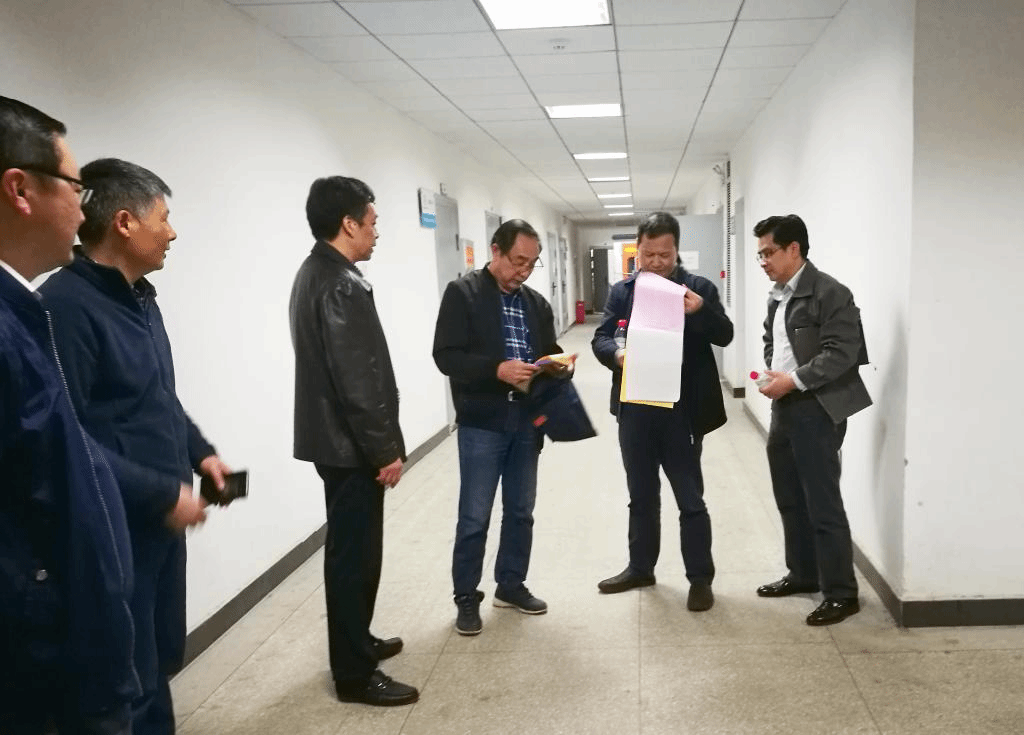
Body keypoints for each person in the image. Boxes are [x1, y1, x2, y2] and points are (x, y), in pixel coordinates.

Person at [39, 158, 230, 734]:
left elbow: (158, 397)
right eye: (162, 218)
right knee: (129, 674)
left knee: (160, 657)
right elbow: (65, 436)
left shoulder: (141, 297)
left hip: (164, 517)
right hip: (117, 525)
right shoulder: (66, 306)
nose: (171, 232)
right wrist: (159, 493)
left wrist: (200, 453)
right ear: (125, 223)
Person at [0, 97, 137, 733]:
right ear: (20, 189)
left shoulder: (23, 311)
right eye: (76, 187)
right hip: (47, 668)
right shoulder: (17, 325)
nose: (84, 210)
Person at [289, 176, 417, 707]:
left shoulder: (315, 272)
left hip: (336, 443)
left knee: (353, 553)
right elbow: (357, 381)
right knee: (354, 559)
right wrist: (384, 451)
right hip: (351, 448)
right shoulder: (340, 283)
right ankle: (355, 674)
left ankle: (357, 640)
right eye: (372, 222)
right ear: (348, 224)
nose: (376, 232)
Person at [592, 211, 733, 612]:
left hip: (682, 412)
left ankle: (700, 579)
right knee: (640, 495)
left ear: (676, 251)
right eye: (648, 254)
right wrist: (617, 355)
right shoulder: (623, 291)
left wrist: (701, 311)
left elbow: (725, 334)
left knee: (690, 499)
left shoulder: (697, 289)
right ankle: (641, 568)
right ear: (638, 250)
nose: (655, 262)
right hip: (635, 410)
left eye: (664, 255)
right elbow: (601, 337)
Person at [433, 219, 563, 636]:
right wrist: (496, 369)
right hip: (482, 423)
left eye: (531, 263)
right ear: (496, 251)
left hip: (526, 421)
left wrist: (558, 364)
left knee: (521, 511)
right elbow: (446, 356)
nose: (523, 271)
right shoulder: (463, 294)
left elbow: (549, 349)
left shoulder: (536, 304)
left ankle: (511, 584)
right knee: (475, 516)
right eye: (517, 261)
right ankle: (466, 597)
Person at [752, 213, 871, 626]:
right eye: (760, 254)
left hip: (818, 408)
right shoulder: (777, 296)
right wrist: (775, 373)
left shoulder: (831, 293)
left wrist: (794, 380)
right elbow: (772, 339)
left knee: (822, 502)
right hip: (784, 405)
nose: (763, 261)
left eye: (769, 252)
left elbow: (842, 352)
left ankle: (842, 593)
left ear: (794, 249)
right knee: (788, 495)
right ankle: (802, 573)